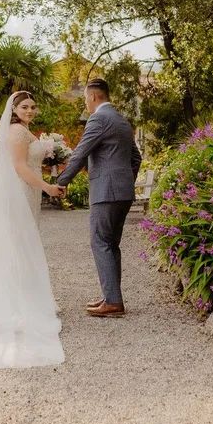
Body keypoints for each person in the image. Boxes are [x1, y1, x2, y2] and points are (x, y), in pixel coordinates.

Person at [0, 91, 66, 368]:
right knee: (20, 245)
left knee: (23, 244)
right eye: (24, 106)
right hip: (20, 193)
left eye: (33, 106)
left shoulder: (25, 131)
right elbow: (19, 166)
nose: (30, 110)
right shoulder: (17, 133)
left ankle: (24, 299)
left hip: (27, 194)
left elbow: (31, 162)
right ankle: (18, 306)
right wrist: (47, 187)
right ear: (15, 109)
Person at [55, 78, 142, 318]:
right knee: (110, 244)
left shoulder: (99, 118)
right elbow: (136, 158)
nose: (86, 103)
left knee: (100, 241)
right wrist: (125, 181)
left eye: (85, 99)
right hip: (123, 193)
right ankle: (111, 297)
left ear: (93, 97)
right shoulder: (122, 120)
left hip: (106, 192)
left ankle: (113, 301)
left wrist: (59, 183)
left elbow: (80, 153)